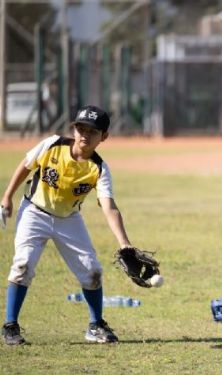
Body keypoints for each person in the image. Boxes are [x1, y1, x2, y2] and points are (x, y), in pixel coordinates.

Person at [1, 105, 133, 345]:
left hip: (69, 219)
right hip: (34, 212)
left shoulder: (99, 168)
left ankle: (95, 325)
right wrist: (7, 196)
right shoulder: (53, 144)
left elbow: (109, 206)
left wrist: (125, 244)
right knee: (23, 265)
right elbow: (26, 165)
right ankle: (10, 326)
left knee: (92, 271)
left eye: (92, 131)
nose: (84, 135)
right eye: (80, 128)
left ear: (104, 137)